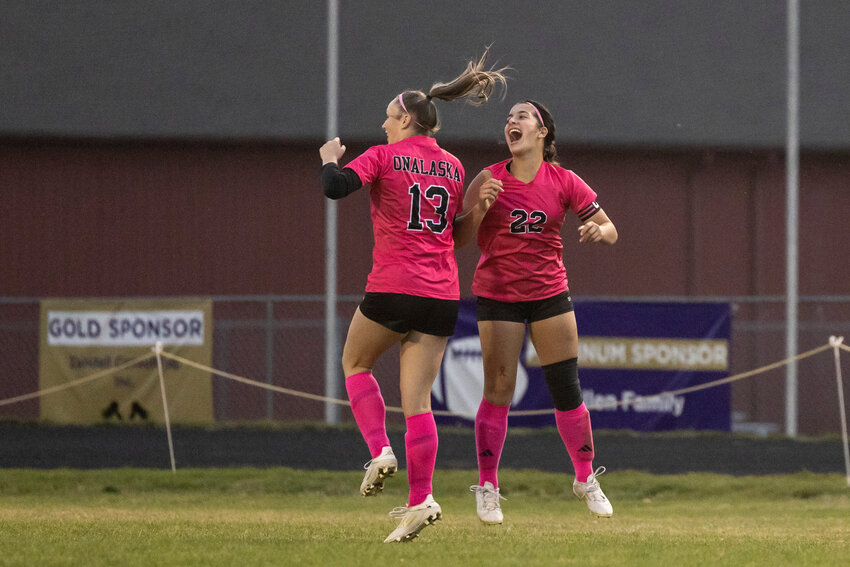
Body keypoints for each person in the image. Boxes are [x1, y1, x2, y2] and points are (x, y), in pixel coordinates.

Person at [319, 50, 508, 543]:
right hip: (441, 294)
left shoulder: (384, 155)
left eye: (387, 116)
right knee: (419, 403)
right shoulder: (450, 165)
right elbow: (455, 238)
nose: (383, 125)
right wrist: (478, 211)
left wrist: (328, 160)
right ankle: (420, 499)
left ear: (406, 118)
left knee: (355, 363)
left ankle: (380, 450)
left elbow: (337, 188)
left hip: (393, 286)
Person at [454, 99, 618, 524]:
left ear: (542, 132)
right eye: (508, 118)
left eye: (522, 116)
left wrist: (597, 231)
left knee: (566, 386)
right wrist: (480, 208)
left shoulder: (563, 179)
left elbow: (611, 229)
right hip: (498, 294)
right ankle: (488, 486)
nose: (512, 121)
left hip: (549, 293)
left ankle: (585, 477)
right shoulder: (488, 178)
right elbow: (459, 239)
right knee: (499, 389)